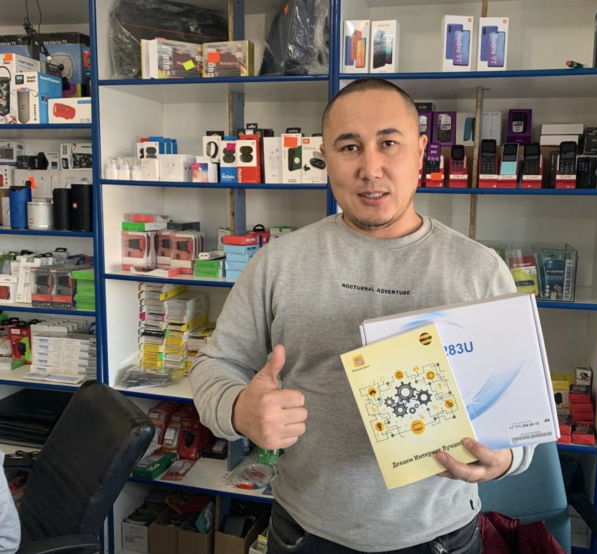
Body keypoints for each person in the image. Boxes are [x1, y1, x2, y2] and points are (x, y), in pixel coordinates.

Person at [191, 78, 534, 554]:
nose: (371, 169)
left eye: (389, 144)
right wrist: (237, 409)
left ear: (421, 153)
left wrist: (506, 458)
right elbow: (214, 364)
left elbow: (521, 417)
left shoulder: (480, 270)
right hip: (306, 532)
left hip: (440, 537)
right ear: (325, 158)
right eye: (349, 147)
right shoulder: (279, 262)